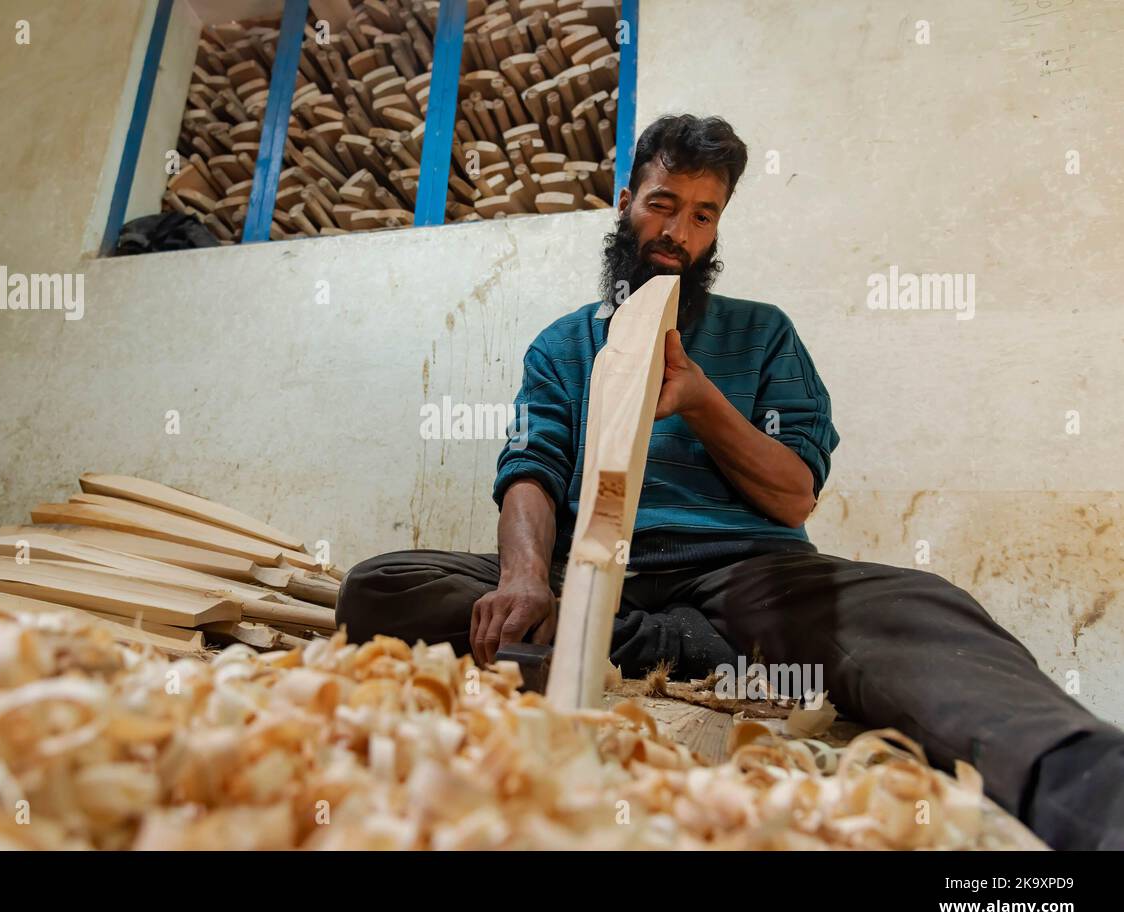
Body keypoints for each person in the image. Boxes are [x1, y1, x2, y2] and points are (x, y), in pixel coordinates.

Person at [336, 114, 1124, 850]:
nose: (679, 232)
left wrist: (701, 398)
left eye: (704, 215)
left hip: (747, 575)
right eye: (663, 204)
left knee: (923, 611)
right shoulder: (562, 345)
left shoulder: (764, 331)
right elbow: (530, 469)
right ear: (625, 203)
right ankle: (687, 647)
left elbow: (793, 495)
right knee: (381, 585)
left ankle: (1088, 785)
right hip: (597, 577)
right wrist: (524, 577)